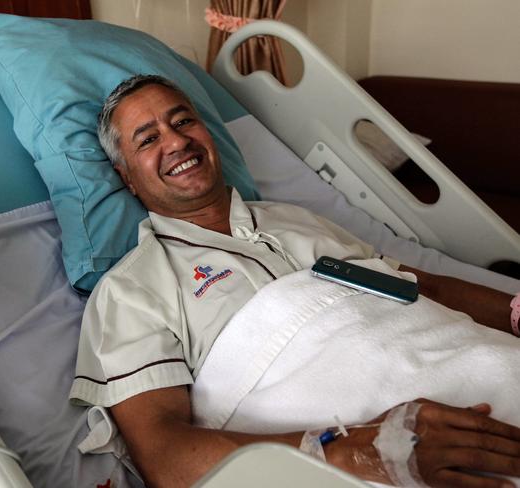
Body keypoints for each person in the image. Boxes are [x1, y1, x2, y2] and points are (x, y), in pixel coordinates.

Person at [70, 74, 520, 487]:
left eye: (183, 120)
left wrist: (514, 311)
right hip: (375, 445)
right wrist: (359, 451)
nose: (176, 141)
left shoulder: (297, 220)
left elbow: (419, 288)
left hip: (479, 361)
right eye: (148, 138)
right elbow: (165, 456)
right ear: (127, 177)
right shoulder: (130, 290)